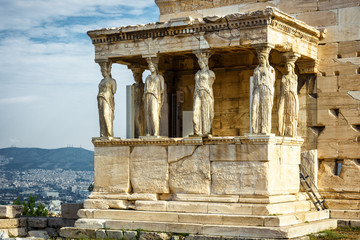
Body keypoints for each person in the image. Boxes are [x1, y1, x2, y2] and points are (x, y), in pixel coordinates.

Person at [251, 47, 276, 134]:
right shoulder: (256, 70)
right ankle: (256, 128)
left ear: (266, 58)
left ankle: (265, 129)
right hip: (257, 90)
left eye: (262, 57)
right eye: (259, 57)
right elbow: (254, 82)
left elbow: (272, 82)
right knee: (255, 107)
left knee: (265, 109)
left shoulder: (270, 69)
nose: (261, 59)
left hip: (266, 89)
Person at [193, 51, 215, 136]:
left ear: (205, 62)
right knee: (195, 114)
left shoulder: (211, 74)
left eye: (201, 62)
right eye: (199, 62)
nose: (200, 64)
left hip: (206, 93)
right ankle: (198, 131)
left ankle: (206, 131)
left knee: (206, 112)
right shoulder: (197, 74)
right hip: (197, 93)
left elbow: (210, 84)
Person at [143, 58, 164, 136]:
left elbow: (162, 90)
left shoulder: (160, 77)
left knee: (153, 113)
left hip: (155, 96)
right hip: (147, 96)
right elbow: (145, 88)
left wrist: (155, 92)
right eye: (149, 67)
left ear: (155, 67)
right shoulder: (147, 78)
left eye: (152, 66)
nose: (151, 68)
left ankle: (156, 132)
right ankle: (148, 132)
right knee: (147, 114)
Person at [278, 60, 299, 137]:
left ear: (292, 67)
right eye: (286, 66)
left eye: (289, 66)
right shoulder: (283, 77)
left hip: (291, 96)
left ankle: (291, 132)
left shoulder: (294, 77)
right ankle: (282, 131)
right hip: (284, 96)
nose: (287, 67)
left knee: (291, 114)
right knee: (281, 113)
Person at [97, 62, 117, 137]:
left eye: (104, 71)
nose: (103, 73)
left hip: (107, 99)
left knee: (106, 115)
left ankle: (109, 133)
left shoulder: (112, 81)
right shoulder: (101, 81)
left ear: (108, 71)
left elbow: (114, 91)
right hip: (100, 99)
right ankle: (103, 133)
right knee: (101, 117)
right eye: (102, 71)